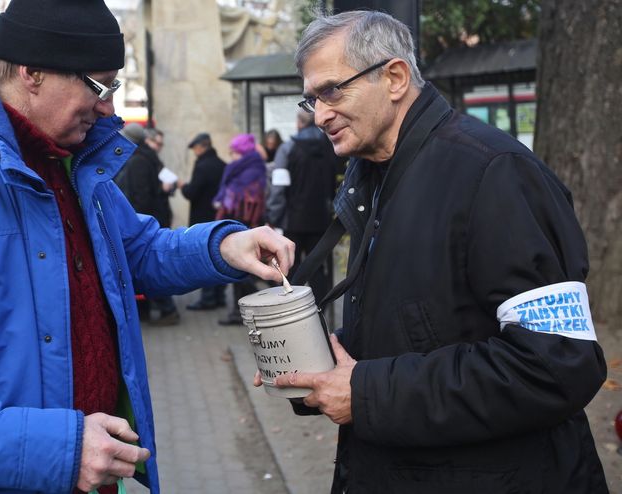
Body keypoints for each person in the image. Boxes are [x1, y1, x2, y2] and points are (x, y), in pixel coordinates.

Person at [0, 1, 295, 493]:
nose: (109, 109)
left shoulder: (68, 162)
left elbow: (136, 250)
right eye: (99, 87)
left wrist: (222, 247)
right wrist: (58, 451)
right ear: (32, 73)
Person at [261, 10, 609, 494]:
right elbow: (419, 324)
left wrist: (366, 393)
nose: (319, 115)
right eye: (312, 99)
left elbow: (557, 365)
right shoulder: (376, 172)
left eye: (332, 91)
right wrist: (315, 366)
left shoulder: (495, 171)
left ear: (395, 78)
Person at [266, 110, 340, 302]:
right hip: (321, 218)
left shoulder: (288, 148)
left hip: (293, 219)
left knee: (290, 264)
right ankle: (321, 307)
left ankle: (291, 307)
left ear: (299, 123)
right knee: (317, 267)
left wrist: (274, 216)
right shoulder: (330, 146)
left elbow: (279, 187)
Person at [115, 125, 180, 325]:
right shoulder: (147, 156)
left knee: (147, 267)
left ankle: (168, 310)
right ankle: (143, 311)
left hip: (142, 221)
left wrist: (134, 223)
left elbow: (142, 196)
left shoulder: (138, 160)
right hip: (152, 217)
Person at [213, 133, 267, 325]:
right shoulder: (240, 167)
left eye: (234, 152)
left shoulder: (252, 169)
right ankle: (240, 311)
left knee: (240, 267)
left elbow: (248, 197)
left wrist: (225, 201)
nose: (232, 156)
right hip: (237, 221)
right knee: (237, 268)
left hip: (244, 222)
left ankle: (256, 305)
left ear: (242, 152)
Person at [178, 132, 228, 310]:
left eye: (195, 148)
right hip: (220, 218)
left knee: (205, 259)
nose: (194, 152)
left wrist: (183, 186)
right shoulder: (222, 164)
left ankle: (208, 299)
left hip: (202, 220)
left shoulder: (202, 166)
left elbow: (191, 193)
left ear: (201, 147)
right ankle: (220, 296)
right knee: (221, 257)